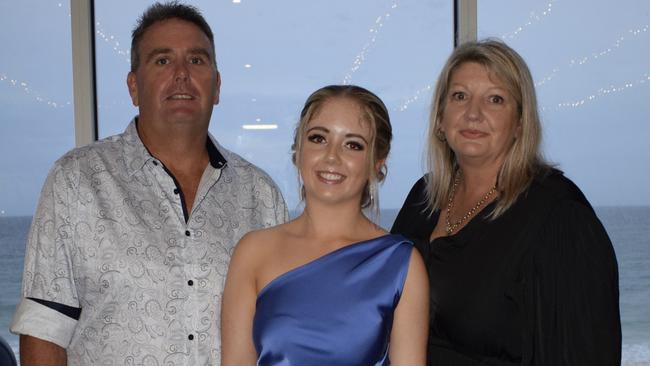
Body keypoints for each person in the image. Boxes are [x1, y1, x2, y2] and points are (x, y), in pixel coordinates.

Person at [10, 2, 287, 365]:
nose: (182, 74)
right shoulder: (77, 181)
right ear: (134, 87)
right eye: (162, 61)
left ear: (216, 87)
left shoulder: (261, 196)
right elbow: (44, 330)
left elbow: (282, 330)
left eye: (197, 60)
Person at [391, 39, 621, 365]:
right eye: (460, 96)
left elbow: (585, 352)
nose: (473, 113)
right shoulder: (423, 197)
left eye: (495, 99)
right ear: (440, 118)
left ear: (520, 124)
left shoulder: (559, 217)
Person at [221, 85, 429, 365]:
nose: (332, 156)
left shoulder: (401, 265)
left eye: (352, 144)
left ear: (377, 163)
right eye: (318, 138)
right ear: (298, 150)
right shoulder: (253, 252)